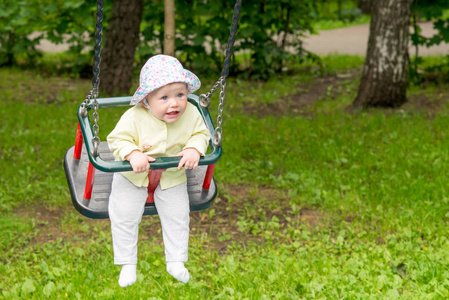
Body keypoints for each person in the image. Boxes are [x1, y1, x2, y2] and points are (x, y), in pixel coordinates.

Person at [107, 54, 211, 287]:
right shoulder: (134, 117)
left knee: (178, 216)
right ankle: (127, 263)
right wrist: (132, 154)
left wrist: (194, 148)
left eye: (180, 95)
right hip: (132, 177)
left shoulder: (192, 113)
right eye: (164, 97)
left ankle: (176, 261)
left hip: (172, 176)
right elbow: (116, 139)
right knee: (123, 214)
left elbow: (201, 134)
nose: (174, 103)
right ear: (146, 101)